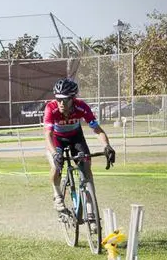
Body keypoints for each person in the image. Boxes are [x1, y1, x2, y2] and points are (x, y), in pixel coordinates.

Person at [43, 78, 116, 213]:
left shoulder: (81, 107)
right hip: (57, 139)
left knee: (87, 168)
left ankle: (90, 210)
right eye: (58, 99)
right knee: (56, 166)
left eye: (65, 99)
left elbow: (97, 129)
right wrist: (54, 154)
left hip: (76, 138)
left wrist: (107, 146)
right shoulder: (51, 108)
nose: (61, 103)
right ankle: (57, 195)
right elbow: (48, 135)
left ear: (73, 99)